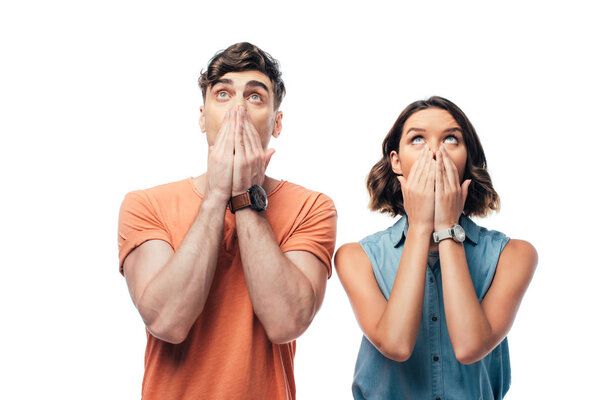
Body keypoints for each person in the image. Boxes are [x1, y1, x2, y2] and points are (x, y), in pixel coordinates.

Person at [117, 42, 337, 400]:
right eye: (223, 94)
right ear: (203, 117)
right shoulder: (145, 205)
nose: (238, 109)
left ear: (277, 122)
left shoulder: (311, 207)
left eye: (254, 97)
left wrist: (245, 196)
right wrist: (217, 196)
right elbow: (167, 322)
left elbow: (287, 323)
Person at [335, 96, 537, 400]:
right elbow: (397, 345)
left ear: (468, 160)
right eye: (417, 139)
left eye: (451, 139)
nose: (434, 152)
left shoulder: (514, 256)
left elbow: (470, 347)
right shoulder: (356, 258)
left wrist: (446, 228)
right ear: (396, 161)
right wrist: (419, 227)